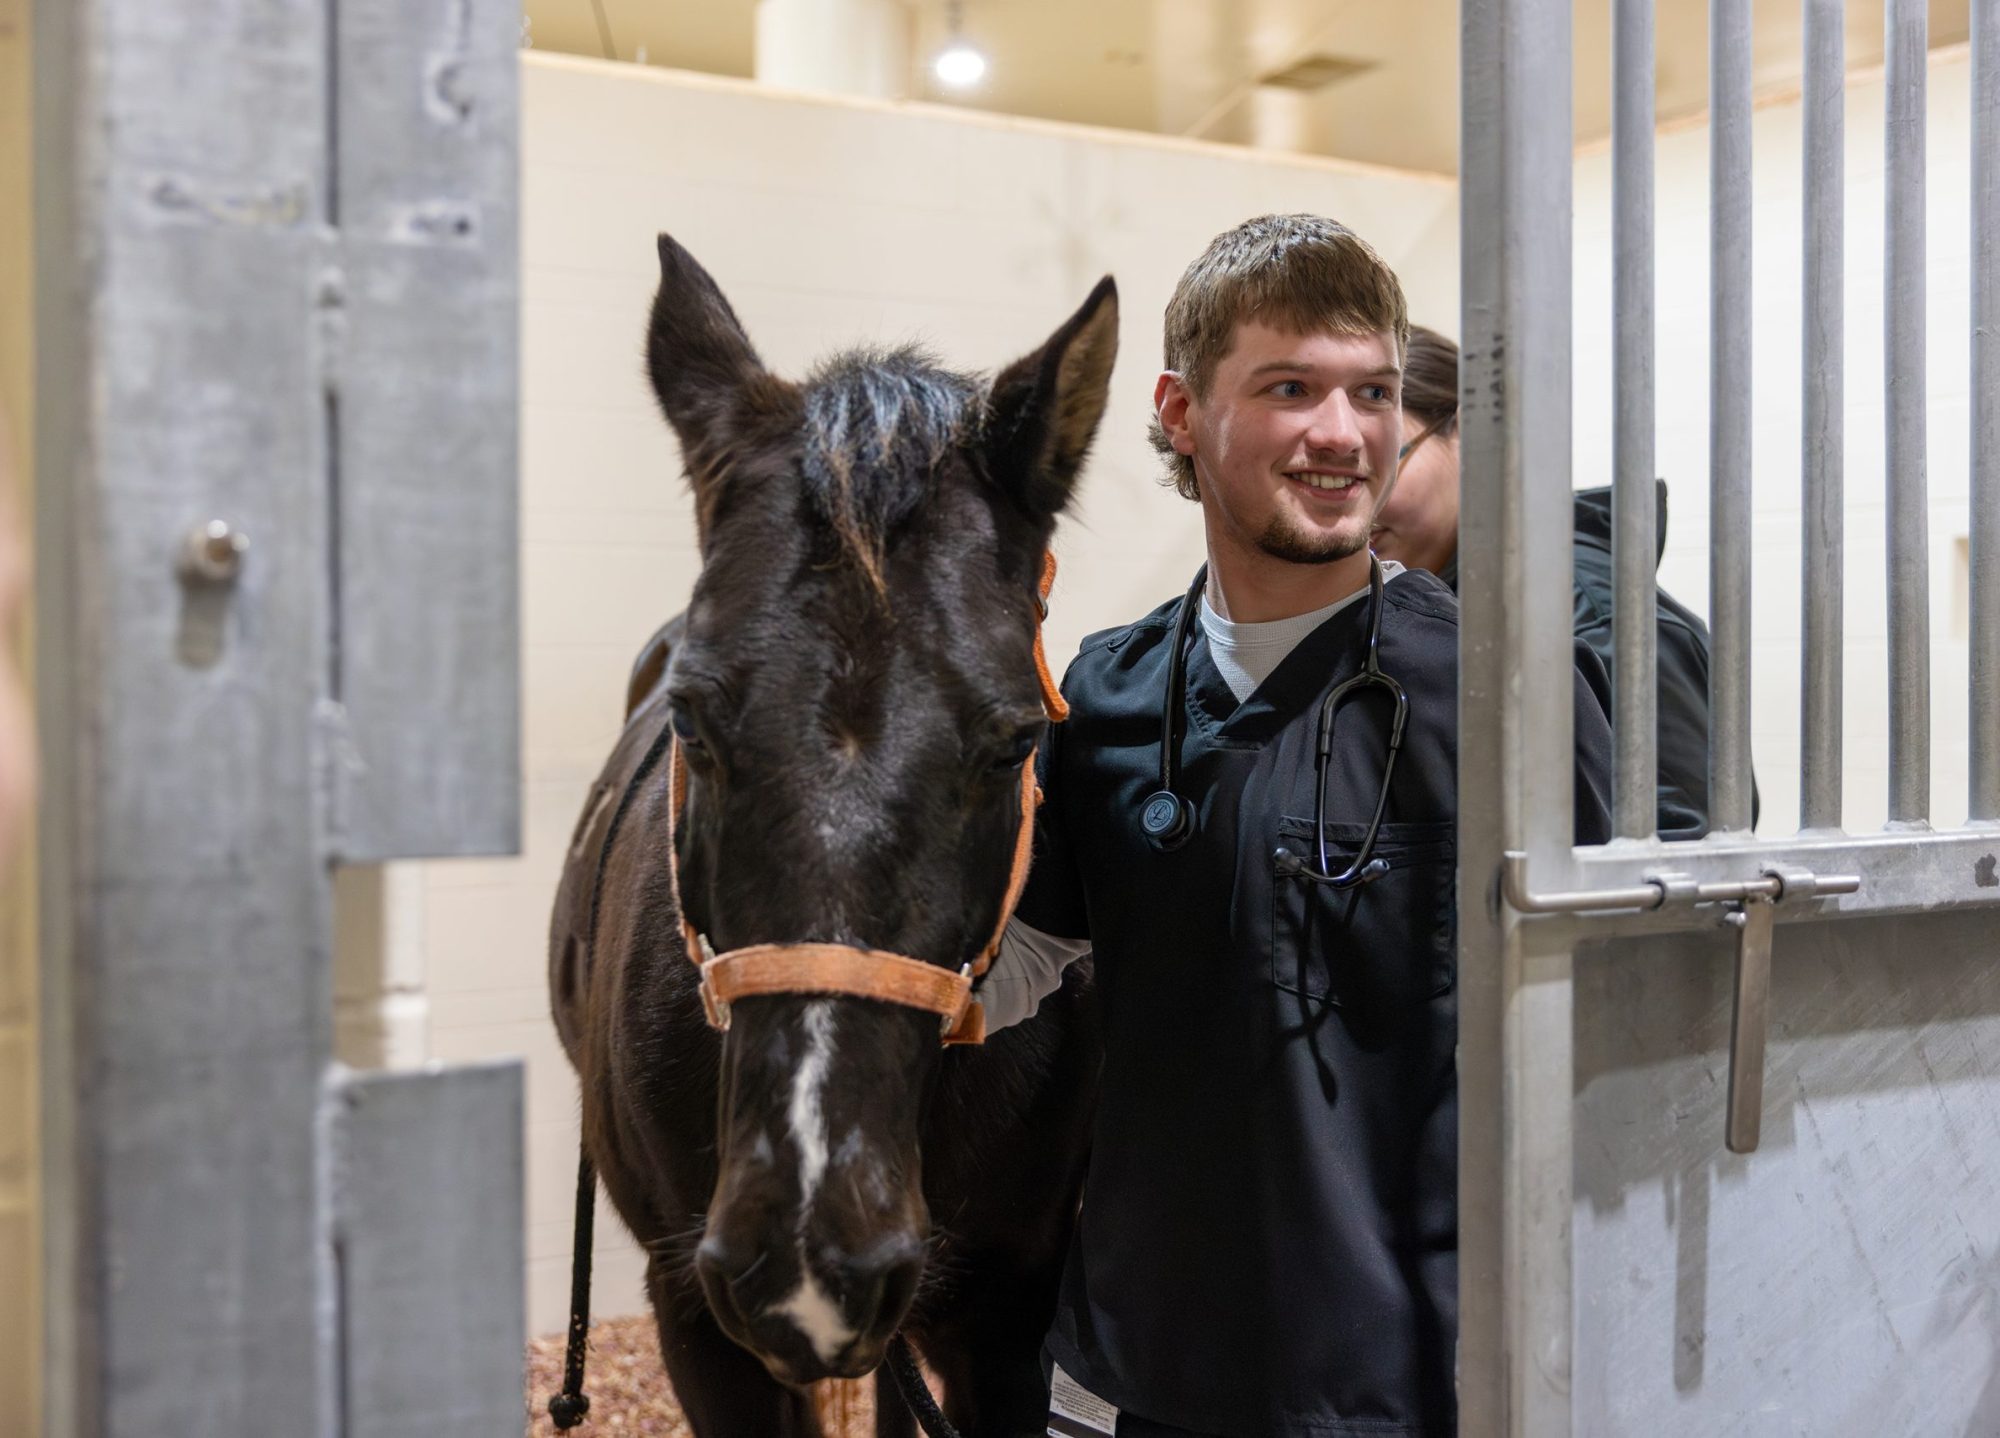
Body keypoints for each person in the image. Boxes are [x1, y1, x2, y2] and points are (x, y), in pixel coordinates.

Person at [978, 216, 1614, 1438]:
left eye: (1370, 392)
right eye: (1289, 389)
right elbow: (1015, 969)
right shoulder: (1104, 691)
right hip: (1123, 1380)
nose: (1341, 433)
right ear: (1177, 410)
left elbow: (1610, 1021)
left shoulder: (1502, 692)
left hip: (1400, 1390)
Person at [1371, 324, 1751, 839]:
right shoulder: (1422, 608)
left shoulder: (1593, 617)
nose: (1360, 496)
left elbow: (1692, 860)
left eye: (1384, 460)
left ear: (1469, 436)